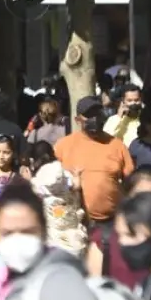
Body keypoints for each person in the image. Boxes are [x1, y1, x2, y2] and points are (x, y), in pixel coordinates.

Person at [54, 95, 134, 227]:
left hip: (111, 223)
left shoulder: (117, 146)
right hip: (73, 223)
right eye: (89, 115)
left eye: (98, 113)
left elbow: (131, 184)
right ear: (77, 120)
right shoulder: (63, 146)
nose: (95, 118)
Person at [84, 166, 151, 287]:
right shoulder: (104, 240)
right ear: (126, 197)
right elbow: (94, 291)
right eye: (139, 197)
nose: (146, 204)